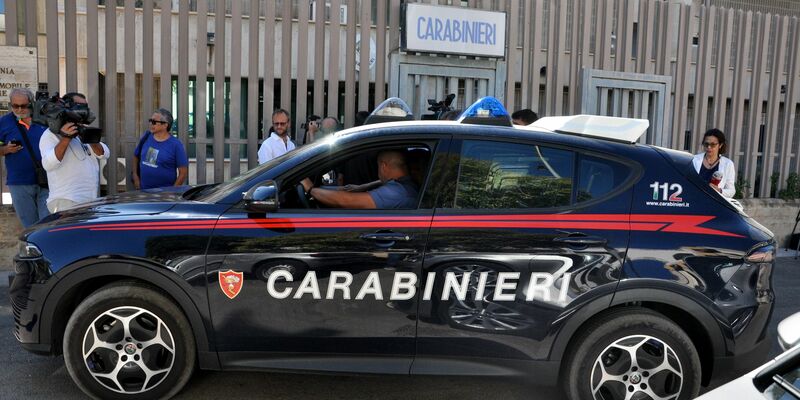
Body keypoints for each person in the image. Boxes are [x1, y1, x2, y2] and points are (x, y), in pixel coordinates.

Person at [39, 92, 110, 213]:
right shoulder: (50, 134)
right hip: (65, 201)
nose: (83, 110)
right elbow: (48, 164)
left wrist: (91, 139)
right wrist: (66, 138)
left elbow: (104, 154)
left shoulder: (81, 130)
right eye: (79, 106)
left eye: (85, 106)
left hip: (89, 200)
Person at [0, 88, 50, 227]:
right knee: (30, 227)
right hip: (20, 182)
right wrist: (6, 149)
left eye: (24, 106)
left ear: (31, 103)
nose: (20, 109)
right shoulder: (4, 122)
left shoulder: (44, 119)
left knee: (47, 225)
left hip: (48, 180)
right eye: (15, 106)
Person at [302, 150, 418, 209]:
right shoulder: (407, 185)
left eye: (377, 166)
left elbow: (346, 200)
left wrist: (310, 189)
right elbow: (387, 183)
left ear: (383, 166)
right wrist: (363, 187)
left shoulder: (396, 193)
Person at [131, 108, 189, 190]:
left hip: (164, 195)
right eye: (150, 121)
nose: (151, 124)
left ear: (165, 125)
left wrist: (172, 192)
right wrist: (135, 176)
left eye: (154, 122)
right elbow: (136, 155)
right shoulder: (146, 137)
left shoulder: (176, 145)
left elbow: (183, 173)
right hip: (144, 192)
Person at [692, 128, 735, 198]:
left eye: (713, 144)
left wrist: (719, 190)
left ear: (720, 145)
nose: (709, 147)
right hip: (694, 200)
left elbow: (731, 191)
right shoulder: (694, 160)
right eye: (706, 144)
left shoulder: (728, 164)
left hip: (714, 202)